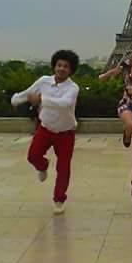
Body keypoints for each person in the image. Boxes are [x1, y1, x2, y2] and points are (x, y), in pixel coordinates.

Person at [11, 50, 80, 215]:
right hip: (45, 128)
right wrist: (16, 99)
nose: (61, 69)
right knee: (32, 156)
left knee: (63, 167)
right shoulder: (43, 81)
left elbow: (65, 103)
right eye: (59, 65)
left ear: (71, 70)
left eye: (66, 66)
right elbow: (29, 93)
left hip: (65, 133)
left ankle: (59, 199)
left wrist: (42, 99)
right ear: (54, 66)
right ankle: (42, 166)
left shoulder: (73, 88)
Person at [99, 42, 132, 199]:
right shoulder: (128, 63)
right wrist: (104, 76)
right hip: (127, 103)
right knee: (131, 124)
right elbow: (115, 71)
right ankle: (127, 133)